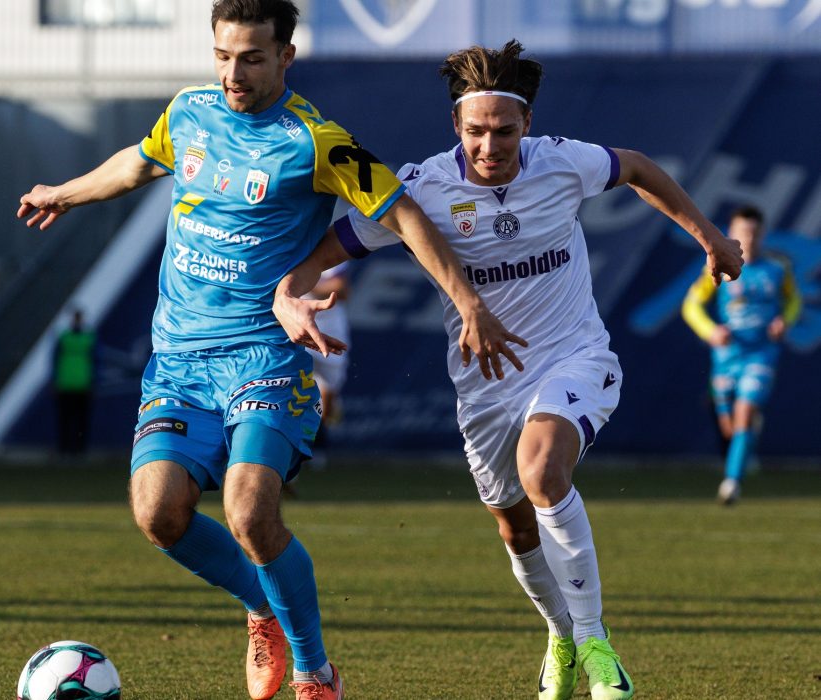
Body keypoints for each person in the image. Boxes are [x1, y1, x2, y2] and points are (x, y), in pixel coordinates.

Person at [16, 3, 522, 697]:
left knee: (251, 512)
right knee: (158, 515)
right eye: (223, 55)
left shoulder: (315, 141)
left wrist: (468, 302)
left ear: (286, 56)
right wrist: (65, 194)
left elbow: (403, 211)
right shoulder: (189, 112)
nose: (233, 72)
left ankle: (315, 673)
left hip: (265, 356)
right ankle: (261, 607)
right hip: (180, 364)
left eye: (252, 58)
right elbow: (136, 165)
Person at [274, 40, 743, 700]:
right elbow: (337, 244)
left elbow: (638, 168)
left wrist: (711, 238)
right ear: (456, 128)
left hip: (574, 358)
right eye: (475, 131)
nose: (489, 145)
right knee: (514, 525)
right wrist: (290, 289)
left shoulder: (561, 164)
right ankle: (560, 635)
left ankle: (596, 643)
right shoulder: (424, 188)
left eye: (503, 130)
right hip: (485, 386)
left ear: (527, 125)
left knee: (542, 469)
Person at [681, 205, 800, 505]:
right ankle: (744, 444)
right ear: (731, 234)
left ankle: (731, 484)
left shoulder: (777, 269)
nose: (750, 237)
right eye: (743, 232)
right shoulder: (717, 266)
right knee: (730, 427)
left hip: (761, 354)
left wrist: (784, 320)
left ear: (763, 233)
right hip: (726, 356)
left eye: (755, 232)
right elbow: (691, 306)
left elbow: (794, 301)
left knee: (744, 414)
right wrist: (710, 331)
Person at [301, 261, 351, 467]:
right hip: (298, 326)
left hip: (330, 328)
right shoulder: (289, 241)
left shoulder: (333, 249)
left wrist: (306, 283)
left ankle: (316, 442)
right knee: (288, 384)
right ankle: (295, 447)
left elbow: (341, 288)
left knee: (328, 395)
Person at [53, 308, 97, 455]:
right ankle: (64, 450)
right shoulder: (64, 336)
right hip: (66, 383)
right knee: (65, 420)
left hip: (83, 383)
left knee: (80, 421)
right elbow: (54, 360)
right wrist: (55, 380)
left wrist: (93, 380)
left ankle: (79, 451)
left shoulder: (88, 337)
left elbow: (96, 361)